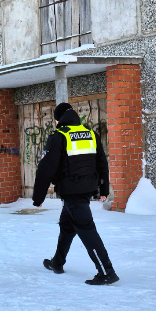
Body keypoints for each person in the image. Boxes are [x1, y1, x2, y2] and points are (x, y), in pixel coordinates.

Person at [32, 103, 119, 285]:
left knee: (87, 231)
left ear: (59, 118)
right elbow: (102, 163)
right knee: (67, 225)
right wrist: (103, 190)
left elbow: (45, 169)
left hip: (72, 192)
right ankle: (57, 262)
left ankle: (106, 272)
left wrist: (38, 197)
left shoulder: (59, 137)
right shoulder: (91, 134)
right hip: (87, 190)